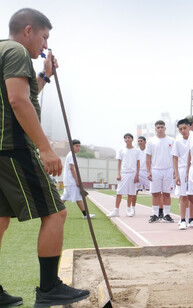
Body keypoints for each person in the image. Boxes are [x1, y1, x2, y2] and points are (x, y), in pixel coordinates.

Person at [0, 8, 89, 307]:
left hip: (0, 150)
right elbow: (18, 100)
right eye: (44, 37)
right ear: (28, 31)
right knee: (56, 212)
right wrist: (45, 147)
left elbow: (23, 95)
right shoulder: (16, 51)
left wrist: (45, 76)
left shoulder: (2, 50)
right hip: (13, 149)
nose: (45, 45)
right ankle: (50, 289)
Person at [146, 120, 175, 223]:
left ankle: (166, 215)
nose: (160, 129)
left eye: (162, 127)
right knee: (155, 194)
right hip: (155, 170)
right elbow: (148, 158)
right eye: (158, 127)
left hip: (168, 170)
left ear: (165, 128)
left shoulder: (171, 140)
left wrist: (175, 170)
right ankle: (155, 214)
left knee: (167, 194)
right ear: (155, 129)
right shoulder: (151, 141)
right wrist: (148, 171)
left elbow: (175, 157)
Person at [61, 139, 95, 219]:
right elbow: (72, 168)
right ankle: (85, 215)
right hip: (71, 181)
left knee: (68, 197)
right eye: (76, 146)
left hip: (69, 180)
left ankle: (85, 214)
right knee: (76, 198)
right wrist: (77, 181)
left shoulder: (72, 155)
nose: (78, 148)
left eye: (79, 146)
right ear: (71, 146)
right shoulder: (71, 155)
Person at [107, 133, 139, 218]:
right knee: (119, 192)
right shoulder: (121, 150)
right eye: (126, 138)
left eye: (129, 138)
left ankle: (128, 210)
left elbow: (138, 163)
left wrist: (137, 175)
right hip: (124, 173)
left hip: (133, 173)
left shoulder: (136, 151)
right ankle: (116, 210)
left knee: (131, 193)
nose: (127, 139)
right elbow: (119, 162)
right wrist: (118, 173)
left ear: (132, 139)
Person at [171, 118, 192, 230]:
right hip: (182, 170)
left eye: (185, 128)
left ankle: (191, 219)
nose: (183, 130)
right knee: (183, 195)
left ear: (189, 127)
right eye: (180, 129)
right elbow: (175, 158)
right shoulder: (177, 141)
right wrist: (176, 174)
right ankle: (183, 219)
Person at [131, 136, 150, 211]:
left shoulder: (149, 151)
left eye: (141, 141)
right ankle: (133, 208)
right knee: (135, 191)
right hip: (138, 172)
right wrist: (136, 174)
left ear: (145, 142)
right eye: (138, 141)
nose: (139, 142)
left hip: (147, 172)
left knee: (155, 191)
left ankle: (158, 210)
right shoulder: (136, 151)